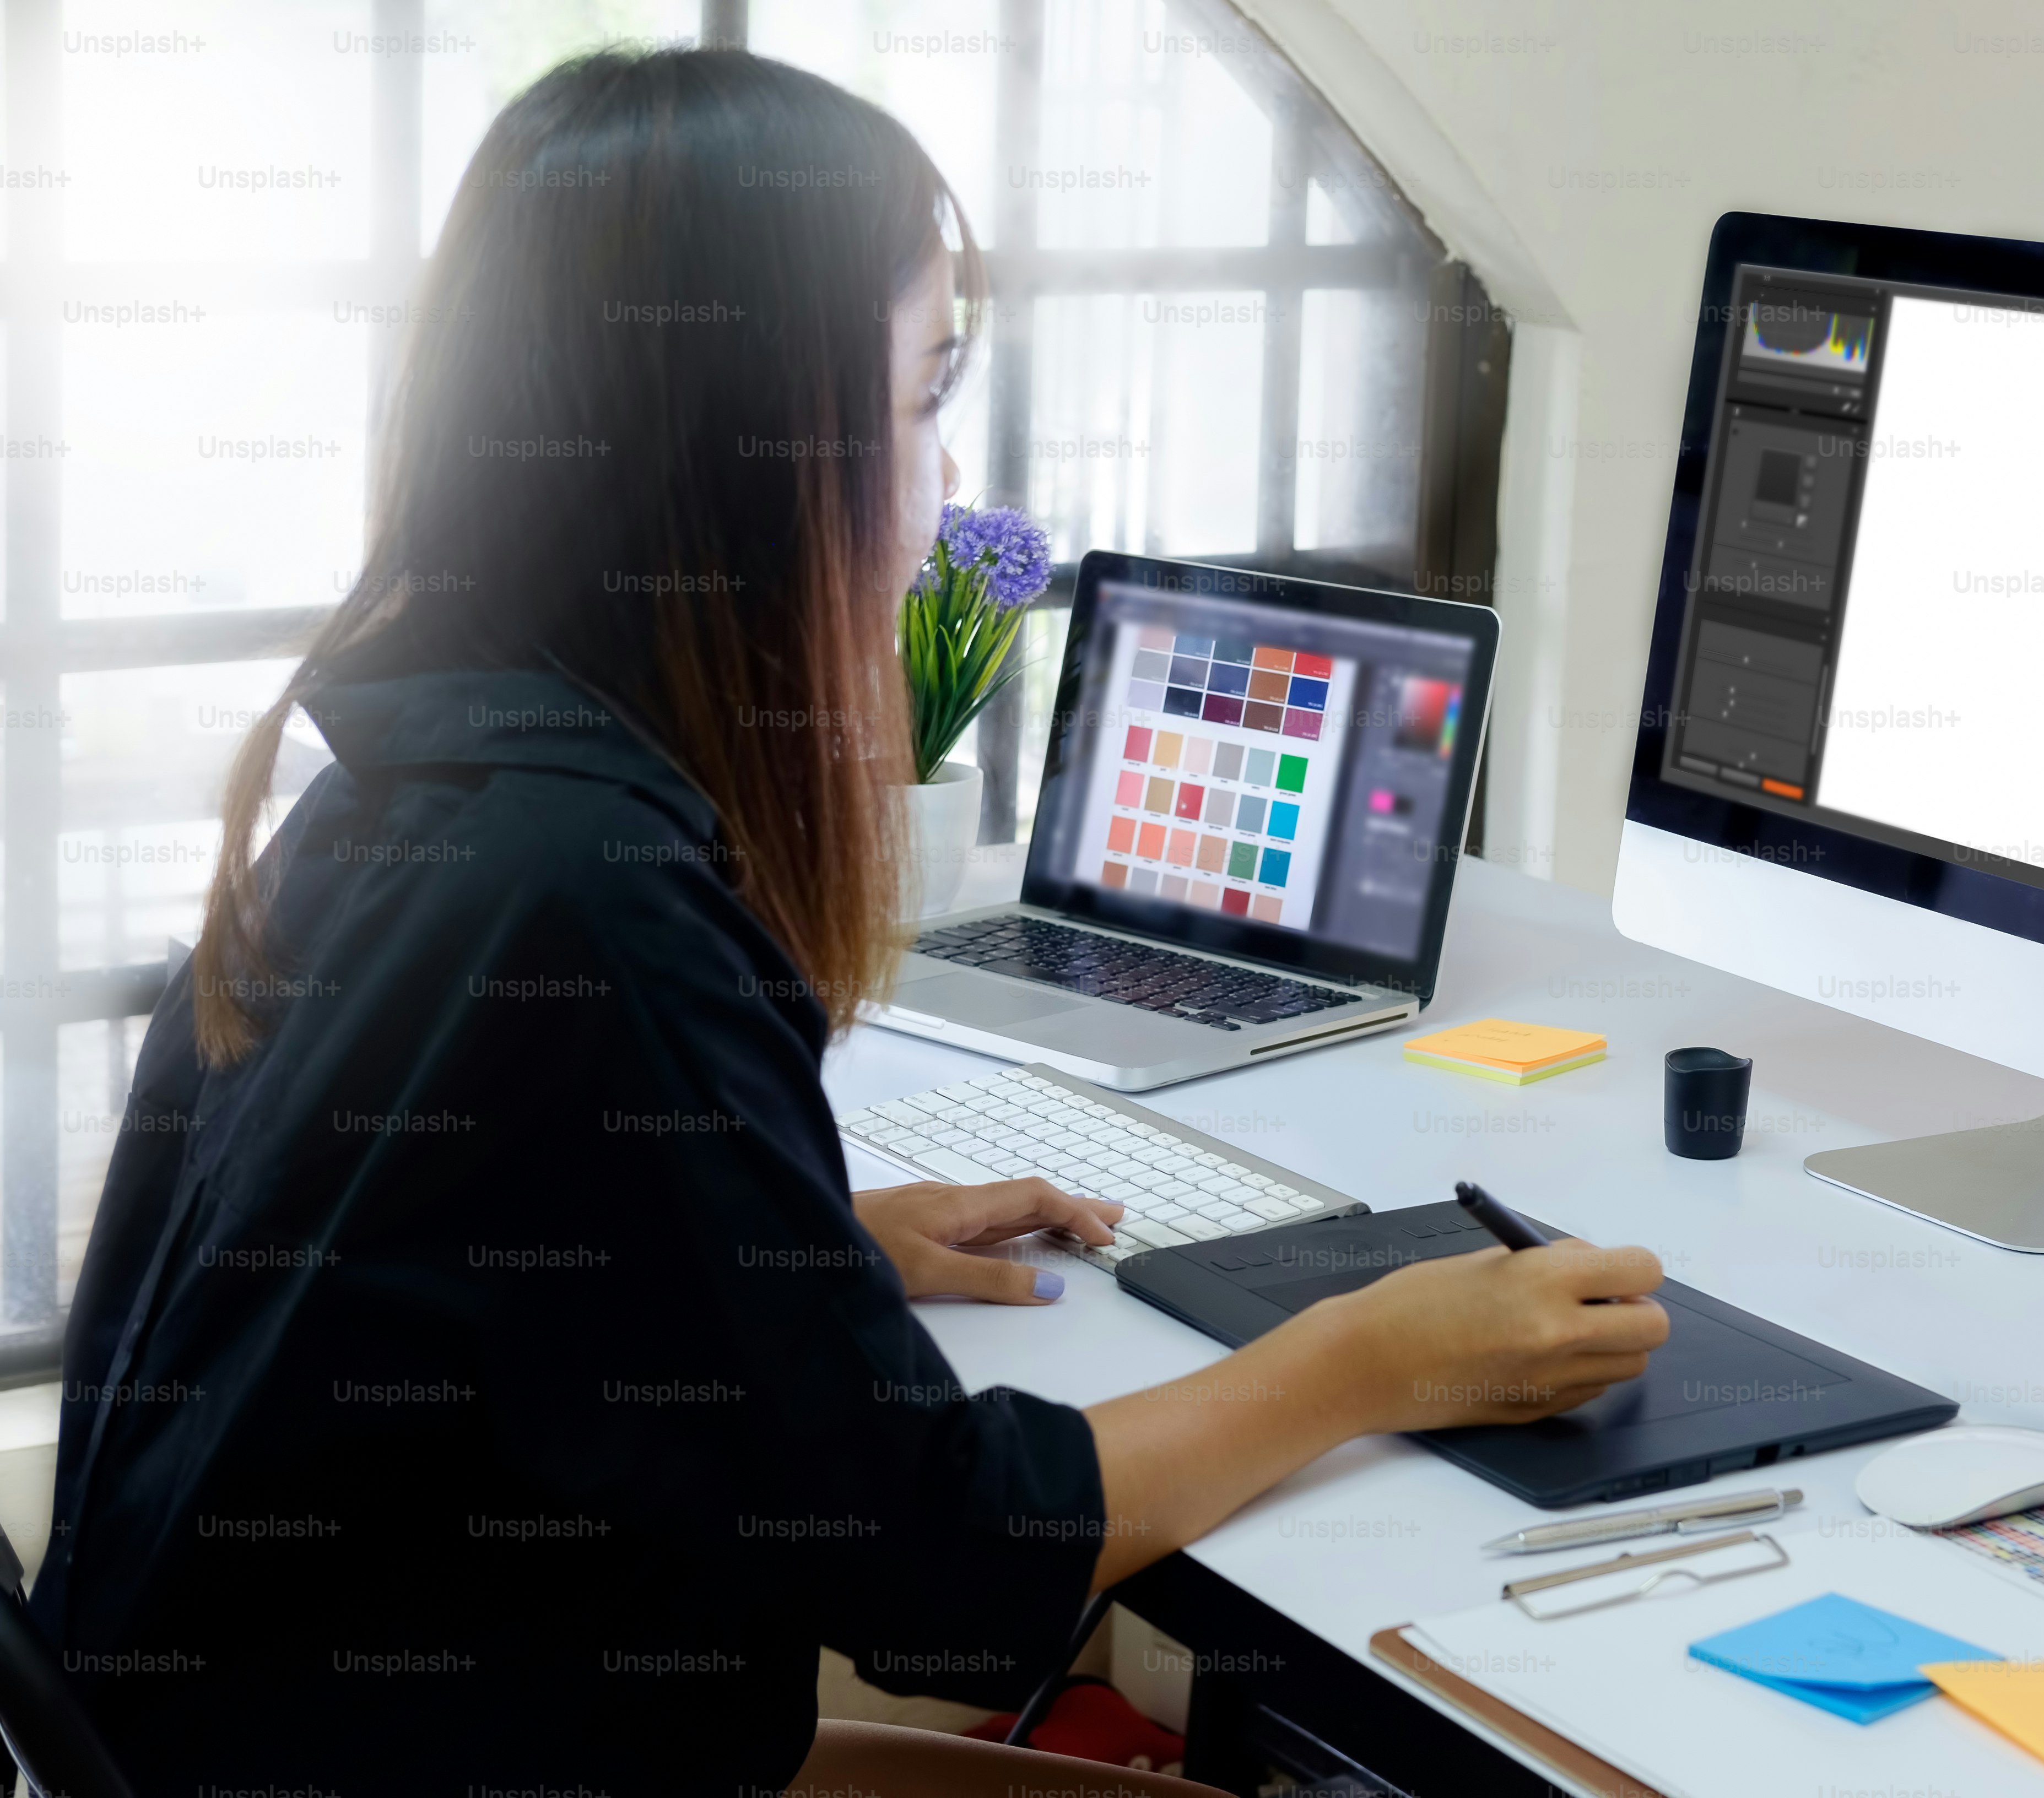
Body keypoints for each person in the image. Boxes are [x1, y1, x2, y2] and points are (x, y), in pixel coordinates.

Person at [32, 47, 1667, 1798]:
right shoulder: (599, 908)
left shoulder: (422, 777)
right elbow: (941, 1578)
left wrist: (782, 1257)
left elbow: (452, 1263)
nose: (940, 481)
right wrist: (1367, 1356)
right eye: (920, 394)